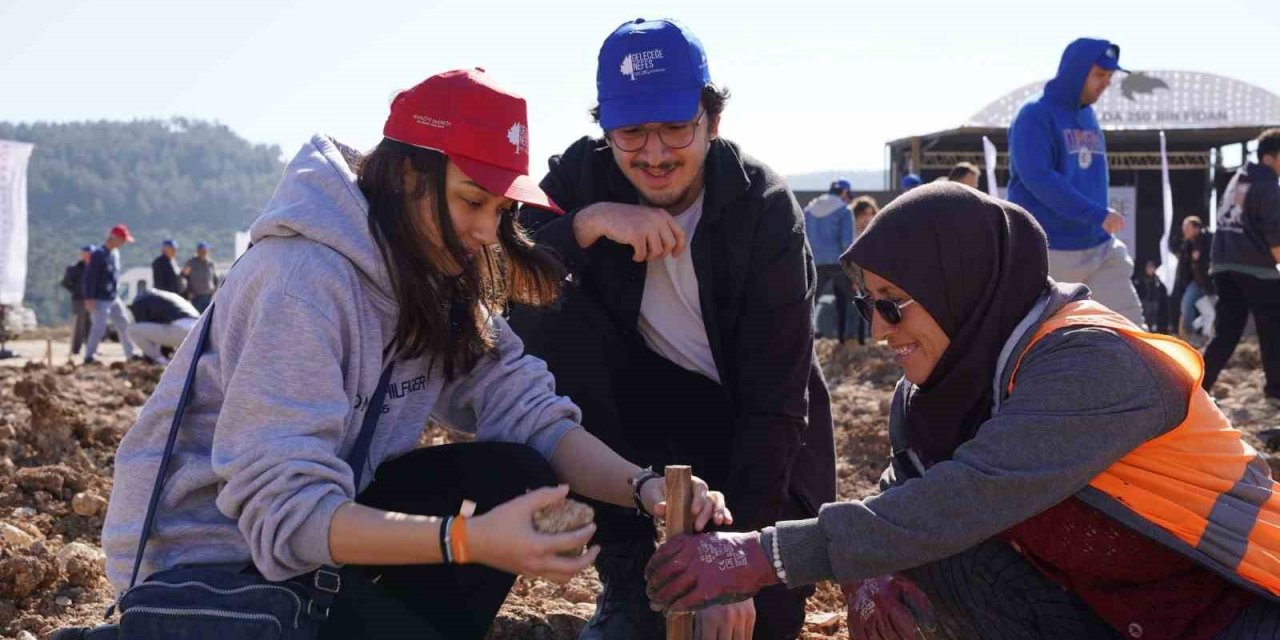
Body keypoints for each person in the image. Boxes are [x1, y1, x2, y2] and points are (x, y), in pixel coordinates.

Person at [100, 69, 730, 640]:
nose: (488, 231)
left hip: (319, 550)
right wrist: (470, 540)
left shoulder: (434, 275)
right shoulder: (302, 281)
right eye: (471, 201)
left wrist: (645, 489)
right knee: (481, 514)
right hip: (215, 573)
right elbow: (284, 516)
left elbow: (533, 414)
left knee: (514, 473)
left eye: (501, 208)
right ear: (407, 176)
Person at [644, 182, 1280, 640]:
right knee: (912, 542)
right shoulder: (929, 395)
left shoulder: (1091, 361)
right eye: (868, 305)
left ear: (961, 285)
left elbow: (971, 494)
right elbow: (905, 496)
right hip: (1112, 608)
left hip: (1235, 606)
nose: (880, 331)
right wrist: (867, 575)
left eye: (894, 304)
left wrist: (760, 556)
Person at [511, 18, 835, 640]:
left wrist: (737, 561)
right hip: (640, 423)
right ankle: (629, 574)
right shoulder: (584, 179)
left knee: (759, 624)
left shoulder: (764, 210)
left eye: (676, 128)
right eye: (632, 132)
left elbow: (776, 407)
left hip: (758, 430)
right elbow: (501, 270)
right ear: (606, 129)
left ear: (712, 121)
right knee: (549, 309)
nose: (655, 154)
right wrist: (588, 223)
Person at [1006, 38, 1145, 326]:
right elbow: (1039, 179)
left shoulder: (1088, 115)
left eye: (1109, 76)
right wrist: (1096, 213)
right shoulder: (1034, 115)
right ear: (1076, 71)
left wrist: (1097, 220)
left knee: (1132, 332)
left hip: (1099, 246)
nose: (1106, 83)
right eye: (1099, 75)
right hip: (1049, 252)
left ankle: (1151, 372)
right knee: (1035, 341)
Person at [1203, 128, 1280, 406]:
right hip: (1255, 267)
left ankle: (1198, 386)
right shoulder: (1267, 183)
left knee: (1226, 333)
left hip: (1224, 264)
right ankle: (1275, 392)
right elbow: (1274, 233)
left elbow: (1235, 222)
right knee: (1273, 331)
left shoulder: (1239, 178)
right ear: (1270, 158)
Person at [804, 179, 856, 343]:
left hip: (815, 263)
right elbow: (847, 243)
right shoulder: (844, 211)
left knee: (810, 302)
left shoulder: (808, 210)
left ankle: (808, 338)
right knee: (850, 301)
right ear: (844, 193)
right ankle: (848, 339)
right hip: (839, 263)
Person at [80, 225, 136, 364]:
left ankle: (130, 354)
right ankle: (89, 356)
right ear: (114, 238)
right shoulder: (99, 254)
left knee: (124, 323)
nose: (123, 243)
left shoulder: (115, 254)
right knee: (99, 327)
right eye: (122, 239)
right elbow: (90, 277)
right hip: (99, 298)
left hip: (113, 296)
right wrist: (89, 297)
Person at [127, 288, 199, 365]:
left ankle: (161, 361)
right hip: (199, 333)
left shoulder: (140, 301)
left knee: (132, 330)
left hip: (183, 333)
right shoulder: (169, 295)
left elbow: (146, 328)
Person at [1175, 216, 1214, 342]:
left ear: (1197, 228)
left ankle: (1206, 336)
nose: (1184, 231)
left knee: (1210, 313)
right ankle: (1188, 335)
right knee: (1187, 304)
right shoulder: (1187, 245)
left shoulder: (1209, 240)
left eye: (1187, 228)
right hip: (1196, 283)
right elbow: (1184, 267)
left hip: (1212, 282)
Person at [60, 244, 94, 357]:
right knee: (78, 325)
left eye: (90, 254)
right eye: (86, 254)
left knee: (91, 324)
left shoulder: (96, 268)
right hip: (79, 300)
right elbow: (66, 283)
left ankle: (91, 348)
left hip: (93, 300)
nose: (88, 256)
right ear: (82, 255)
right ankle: (75, 349)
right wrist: (76, 291)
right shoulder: (75, 268)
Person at [182, 241, 219, 311]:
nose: (204, 252)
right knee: (198, 318)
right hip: (196, 297)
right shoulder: (191, 263)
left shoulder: (210, 264)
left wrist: (215, 290)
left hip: (209, 296)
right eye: (202, 250)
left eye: (205, 251)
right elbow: (184, 277)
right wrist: (188, 293)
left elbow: (215, 278)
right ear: (198, 251)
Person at [1133, 259, 1167, 333]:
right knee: (1146, 318)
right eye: (1149, 267)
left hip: (1154, 302)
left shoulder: (1157, 278)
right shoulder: (1141, 277)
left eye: (1152, 268)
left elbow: (1162, 288)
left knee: (1153, 319)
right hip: (1145, 302)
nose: (1150, 269)